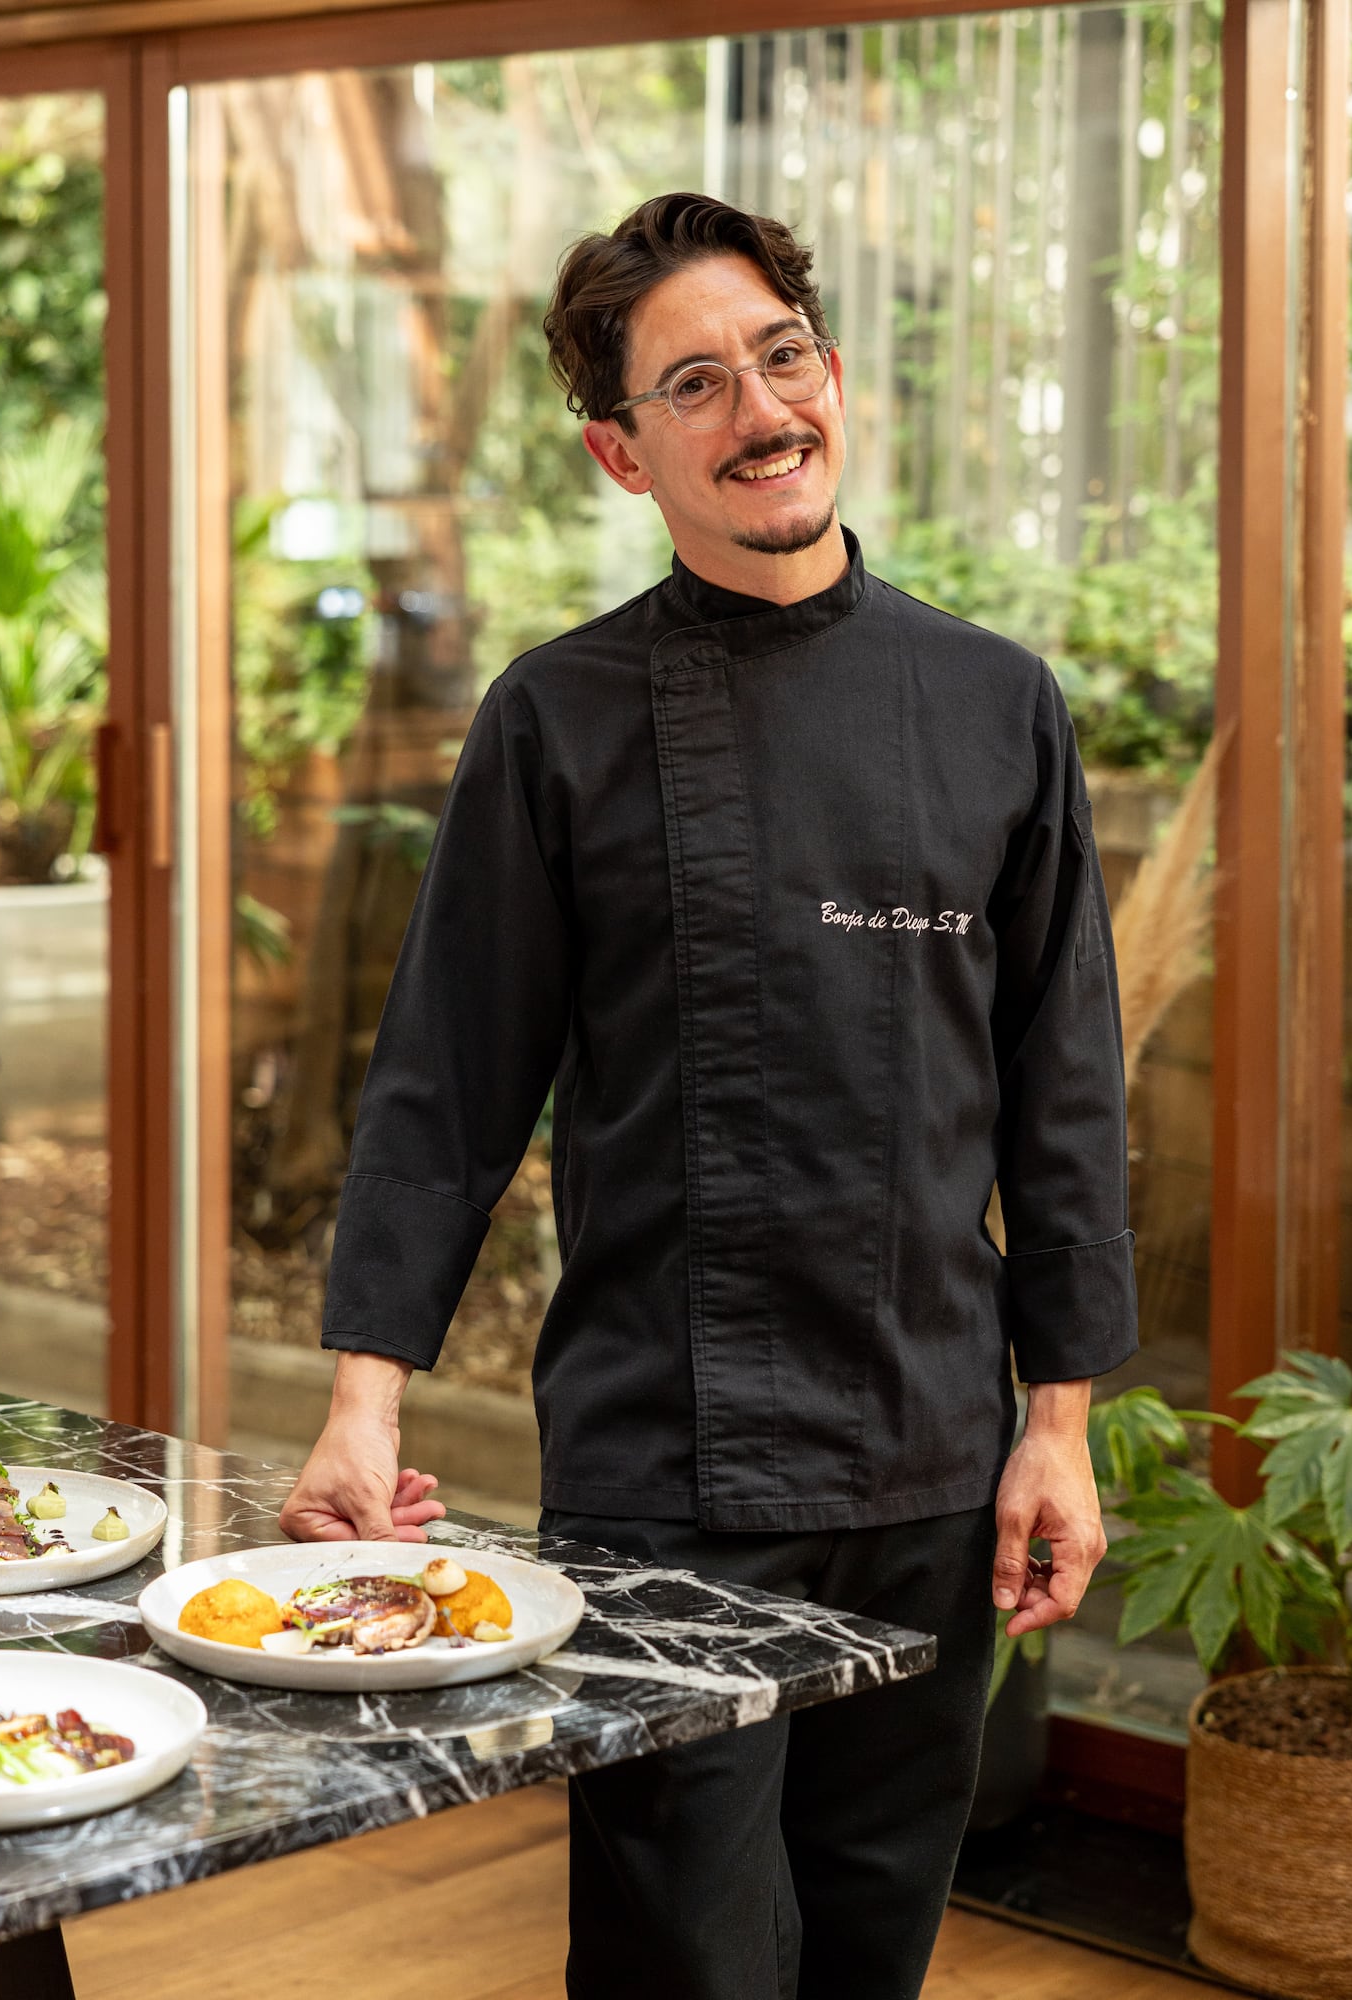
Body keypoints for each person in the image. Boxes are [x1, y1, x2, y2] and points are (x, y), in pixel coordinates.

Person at [281, 191, 1139, 2000]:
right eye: (695, 383)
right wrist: (367, 1403)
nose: (763, 409)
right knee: (687, 1962)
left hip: (928, 1444)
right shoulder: (559, 719)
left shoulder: (995, 706)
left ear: (830, 377)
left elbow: (1063, 1102)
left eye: (782, 355)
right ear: (621, 451)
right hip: (665, 1464)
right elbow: (450, 1084)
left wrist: (1053, 1426)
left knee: (874, 1944)